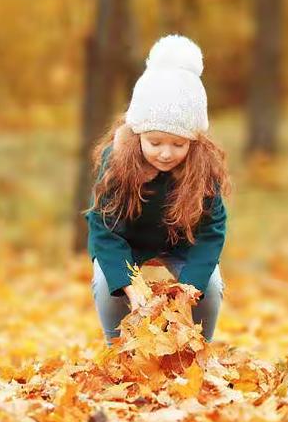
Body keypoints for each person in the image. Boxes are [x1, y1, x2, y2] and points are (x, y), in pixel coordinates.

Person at [82, 34, 232, 346]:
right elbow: (104, 228)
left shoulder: (203, 167)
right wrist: (129, 283)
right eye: (155, 143)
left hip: (181, 241)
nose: (165, 153)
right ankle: (117, 347)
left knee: (212, 285)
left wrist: (189, 286)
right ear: (138, 135)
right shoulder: (118, 161)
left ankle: (200, 348)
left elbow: (212, 230)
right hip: (129, 243)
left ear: (193, 140)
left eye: (177, 144)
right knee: (106, 280)